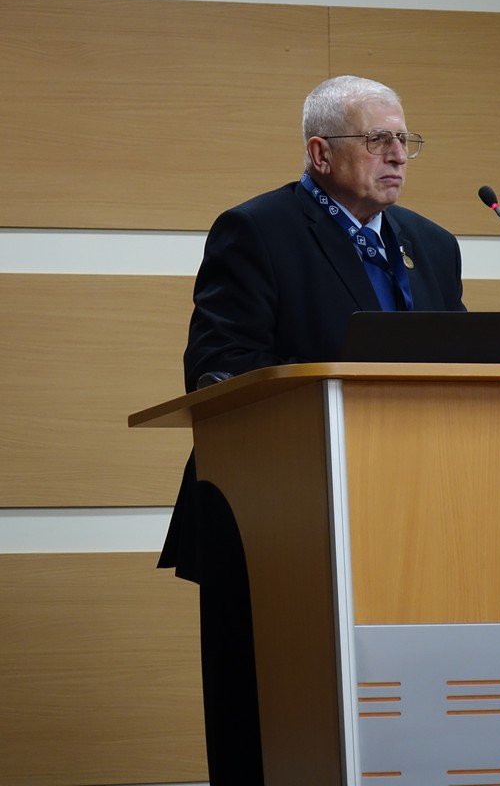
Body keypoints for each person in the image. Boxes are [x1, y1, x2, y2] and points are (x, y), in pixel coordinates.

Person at [160, 74, 466, 784]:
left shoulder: (433, 244)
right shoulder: (256, 231)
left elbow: (452, 368)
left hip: (409, 516)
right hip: (278, 516)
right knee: (266, 725)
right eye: (378, 139)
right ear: (320, 153)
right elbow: (219, 366)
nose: (397, 154)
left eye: (405, 140)